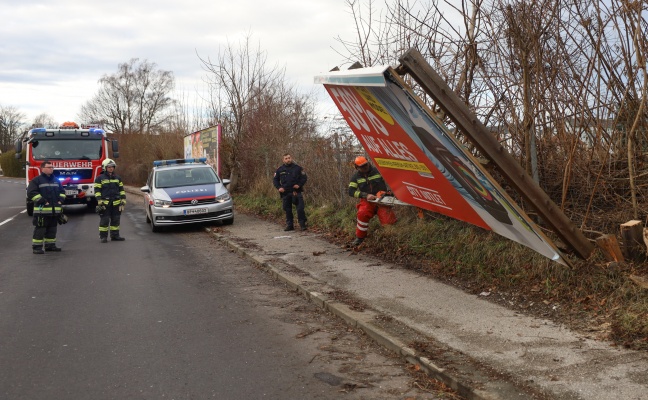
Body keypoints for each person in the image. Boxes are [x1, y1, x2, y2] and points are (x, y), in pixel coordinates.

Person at [348, 156, 397, 246]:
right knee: (362, 214)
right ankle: (360, 238)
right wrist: (365, 195)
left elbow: (392, 180)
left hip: (382, 200)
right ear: (357, 167)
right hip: (367, 201)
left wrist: (391, 191)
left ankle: (392, 238)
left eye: (366, 165)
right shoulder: (355, 177)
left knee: (388, 220)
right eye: (362, 166)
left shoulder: (378, 171)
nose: (365, 167)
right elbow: (351, 191)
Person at [28, 160, 65, 254]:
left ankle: (50, 246)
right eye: (49, 167)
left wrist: (61, 199)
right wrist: (42, 201)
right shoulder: (36, 180)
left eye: (52, 167)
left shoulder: (56, 180)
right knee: (40, 229)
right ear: (42, 168)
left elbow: (62, 191)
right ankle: (37, 247)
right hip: (42, 211)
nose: (51, 169)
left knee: (52, 229)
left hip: (54, 211)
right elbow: (31, 193)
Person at [273, 153, 308, 231]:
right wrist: (279, 187)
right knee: (287, 209)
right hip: (286, 192)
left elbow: (304, 178)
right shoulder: (280, 169)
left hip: (296, 192)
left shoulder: (298, 168)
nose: (288, 159)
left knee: (300, 208)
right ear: (283, 160)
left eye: (289, 158)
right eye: (286, 158)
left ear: (291, 158)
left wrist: (299, 185)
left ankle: (302, 224)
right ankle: (290, 225)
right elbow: (275, 180)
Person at [95, 158, 126, 243]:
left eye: (112, 167)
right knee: (104, 221)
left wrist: (123, 200)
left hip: (116, 203)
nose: (111, 168)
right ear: (105, 167)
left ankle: (115, 236)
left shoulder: (118, 178)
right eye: (109, 167)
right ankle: (103, 237)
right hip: (105, 204)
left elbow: (121, 190)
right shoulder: (99, 178)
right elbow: (97, 191)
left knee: (116, 220)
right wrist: (99, 200)